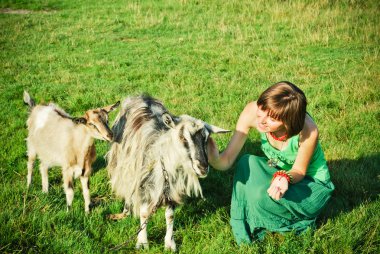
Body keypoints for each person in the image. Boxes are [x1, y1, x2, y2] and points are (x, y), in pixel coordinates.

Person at [207, 81, 334, 245]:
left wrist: (284, 177)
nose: (262, 121)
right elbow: (226, 161)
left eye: (272, 119)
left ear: (288, 121)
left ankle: (297, 223)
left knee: (261, 198)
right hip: (277, 170)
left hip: (309, 184)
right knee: (247, 162)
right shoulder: (252, 112)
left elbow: (299, 171)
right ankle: (241, 224)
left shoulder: (308, 130)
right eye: (262, 111)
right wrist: (213, 157)